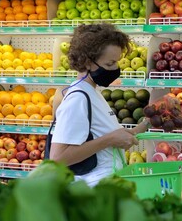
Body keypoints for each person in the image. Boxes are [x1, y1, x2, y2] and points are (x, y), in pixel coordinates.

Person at [49, 23, 150, 187]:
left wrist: (146, 123)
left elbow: (101, 135)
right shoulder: (78, 98)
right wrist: (110, 139)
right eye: (110, 64)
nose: (116, 69)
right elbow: (58, 158)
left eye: (117, 62)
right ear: (88, 62)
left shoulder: (92, 92)